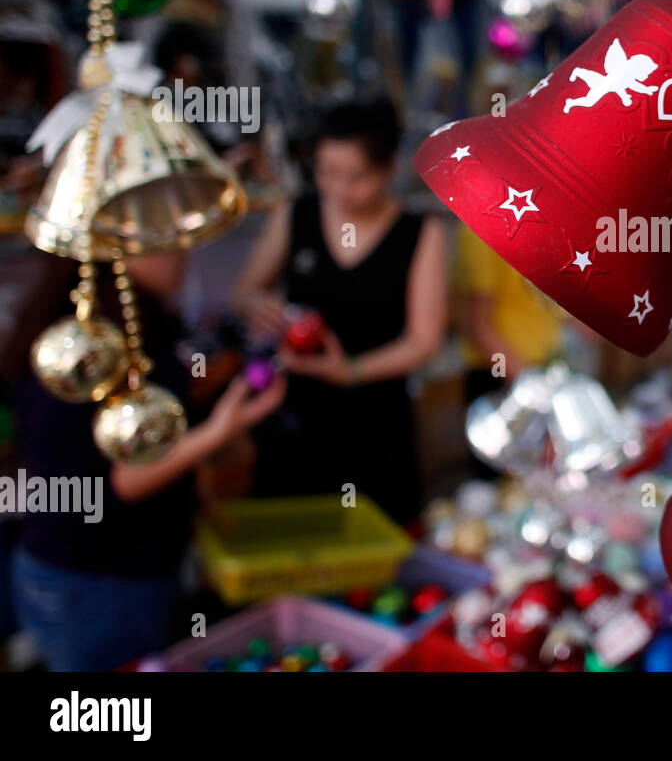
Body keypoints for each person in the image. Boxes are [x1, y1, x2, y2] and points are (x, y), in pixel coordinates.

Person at [10, 251, 286, 671]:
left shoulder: (126, 320)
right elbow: (119, 482)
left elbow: (153, 403)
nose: (183, 251)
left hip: (85, 567)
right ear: (115, 244)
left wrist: (222, 373)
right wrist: (218, 433)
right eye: (163, 238)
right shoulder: (88, 349)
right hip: (98, 579)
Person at [232, 99, 446, 524]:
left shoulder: (420, 233)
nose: (338, 190)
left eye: (356, 177)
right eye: (326, 172)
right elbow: (246, 292)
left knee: (372, 552)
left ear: (388, 169)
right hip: (293, 417)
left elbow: (424, 341)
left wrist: (351, 371)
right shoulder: (297, 214)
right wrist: (260, 307)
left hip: (376, 421)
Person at [456, 222, 565, 406]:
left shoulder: (547, 231)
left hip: (541, 375)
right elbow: (479, 329)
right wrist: (532, 387)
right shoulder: (482, 227)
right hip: (497, 374)